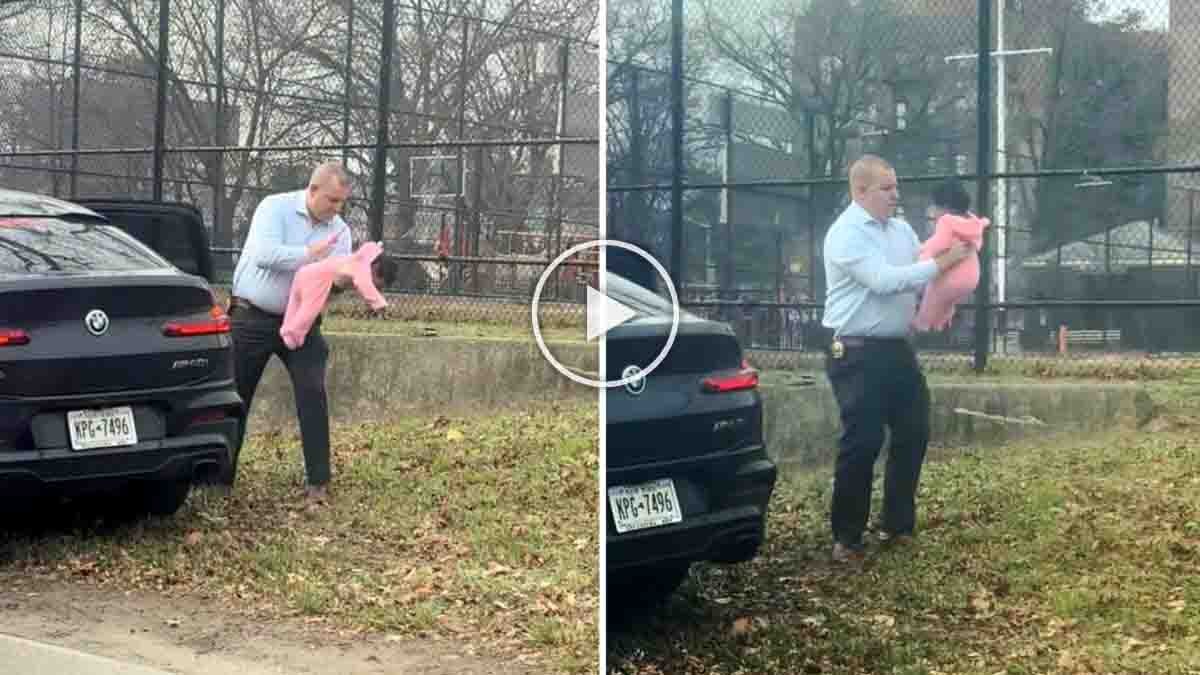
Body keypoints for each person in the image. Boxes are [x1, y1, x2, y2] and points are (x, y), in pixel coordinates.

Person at [821, 155, 971, 563]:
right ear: (861, 191)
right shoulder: (846, 234)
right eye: (886, 189)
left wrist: (944, 294)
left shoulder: (901, 230)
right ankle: (847, 538)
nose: (895, 195)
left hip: (896, 348)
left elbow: (917, 274)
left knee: (914, 431)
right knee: (863, 440)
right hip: (855, 350)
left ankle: (896, 524)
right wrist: (942, 263)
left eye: (896, 187)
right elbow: (885, 281)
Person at [226, 161, 355, 507]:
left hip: (302, 321)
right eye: (331, 200)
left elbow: (332, 280)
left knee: (313, 392)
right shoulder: (274, 208)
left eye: (342, 202)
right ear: (312, 191)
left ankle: (318, 483)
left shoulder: (341, 232)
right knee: (235, 397)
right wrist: (310, 255)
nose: (336, 209)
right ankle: (219, 479)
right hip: (251, 317)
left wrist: (342, 281)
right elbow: (265, 256)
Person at [912, 179, 989, 331]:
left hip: (951, 277)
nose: (933, 211)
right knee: (948, 301)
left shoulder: (946, 221)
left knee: (932, 293)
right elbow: (977, 244)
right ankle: (943, 322)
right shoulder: (972, 223)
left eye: (935, 206)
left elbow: (940, 243)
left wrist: (922, 253)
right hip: (971, 278)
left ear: (945, 207)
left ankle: (921, 325)